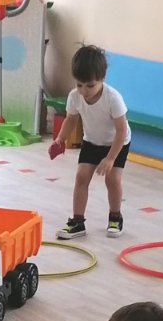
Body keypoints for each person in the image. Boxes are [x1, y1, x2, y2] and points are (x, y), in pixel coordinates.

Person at [50, 44, 131, 239]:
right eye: (79, 85)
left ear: (102, 79)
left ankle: (115, 217)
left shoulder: (113, 98)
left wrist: (110, 158)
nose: (84, 91)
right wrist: (61, 138)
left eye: (90, 85)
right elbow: (71, 119)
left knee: (112, 179)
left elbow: (121, 131)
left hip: (116, 143)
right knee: (81, 177)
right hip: (91, 141)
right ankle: (78, 222)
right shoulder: (74, 96)